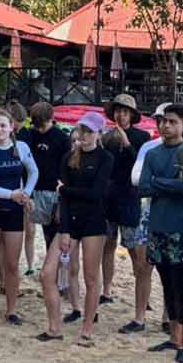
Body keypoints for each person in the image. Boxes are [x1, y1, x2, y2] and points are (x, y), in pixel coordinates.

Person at [39, 112, 112, 343]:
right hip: (70, 221)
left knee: (91, 277)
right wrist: (66, 230)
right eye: (82, 130)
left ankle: (87, 328)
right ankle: (54, 327)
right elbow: (65, 199)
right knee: (47, 273)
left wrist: (64, 190)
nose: (85, 135)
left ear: (99, 133)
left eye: (90, 131)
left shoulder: (105, 158)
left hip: (94, 222)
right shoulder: (69, 157)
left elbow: (96, 193)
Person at [138, 105, 183, 356]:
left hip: (182, 227)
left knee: (179, 284)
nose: (166, 126)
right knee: (165, 283)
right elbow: (142, 187)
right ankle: (174, 337)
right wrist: (171, 184)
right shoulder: (153, 154)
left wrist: (159, 183)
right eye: (163, 121)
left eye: (172, 122)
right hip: (158, 226)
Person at [0, 111, 39, 325]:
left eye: (3, 126)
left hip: (13, 212)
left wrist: (26, 193)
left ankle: (12, 310)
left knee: (12, 264)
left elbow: (33, 172)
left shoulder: (21, 147)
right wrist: (12, 194)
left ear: (12, 127)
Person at [103, 94, 153, 318]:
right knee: (108, 244)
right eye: (117, 110)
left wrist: (127, 143)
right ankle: (106, 289)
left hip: (130, 196)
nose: (120, 114)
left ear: (132, 114)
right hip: (109, 195)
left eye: (124, 111)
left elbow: (141, 168)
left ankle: (143, 295)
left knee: (134, 249)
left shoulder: (142, 137)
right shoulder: (107, 136)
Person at [21, 101, 71, 250]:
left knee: (56, 231)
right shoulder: (30, 134)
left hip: (55, 190)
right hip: (35, 189)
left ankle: (57, 266)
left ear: (51, 119)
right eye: (37, 126)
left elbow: (67, 168)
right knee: (45, 231)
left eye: (42, 126)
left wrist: (62, 193)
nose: (40, 130)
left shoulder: (62, 138)